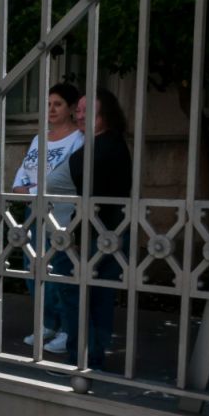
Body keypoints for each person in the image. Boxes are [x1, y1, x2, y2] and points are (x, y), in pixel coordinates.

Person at [59, 88, 132, 371]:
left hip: (99, 231)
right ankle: (93, 358)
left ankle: (83, 359)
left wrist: (77, 234)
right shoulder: (105, 143)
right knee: (97, 296)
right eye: (78, 110)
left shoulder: (104, 146)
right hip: (104, 230)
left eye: (88, 111)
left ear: (106, 115)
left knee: (80, 294)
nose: (79, 116)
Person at [12, 83, 83, 354]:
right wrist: (23, 189)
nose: (51, 109)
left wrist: (31, 189)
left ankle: (66, 328)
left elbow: (64, 178)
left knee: (58, 270)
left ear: (71, 108)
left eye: (58, 104)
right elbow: (24, 171)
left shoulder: (78, 138)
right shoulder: (39, 138)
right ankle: (47, 323)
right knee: (34, 268)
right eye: (49, 104)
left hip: (60, 213)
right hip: (34, 210)